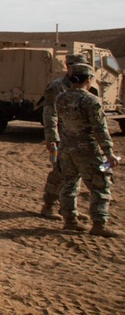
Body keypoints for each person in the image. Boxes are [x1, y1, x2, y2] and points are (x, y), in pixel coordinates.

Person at [56, 63, 122, 237]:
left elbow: (61, 124)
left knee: (69, 184)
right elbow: (100, 129)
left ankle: (70, 221)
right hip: (88, 151)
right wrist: (109, 153)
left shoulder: (61, 98)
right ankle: (99, 224)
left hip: (66, 148)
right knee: (101, 186)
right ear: (89, 79)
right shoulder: (91, 101)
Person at [39, 52, 89, 219]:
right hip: (62, 137)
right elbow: (49, 113)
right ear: (68, 67)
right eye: (74, 66)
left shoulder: (85, 83)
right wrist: (52, 137)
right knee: (59, 171)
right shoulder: (56, 87)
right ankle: (49, 206)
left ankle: (69, 208)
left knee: (76, 174)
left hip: (78, 137)